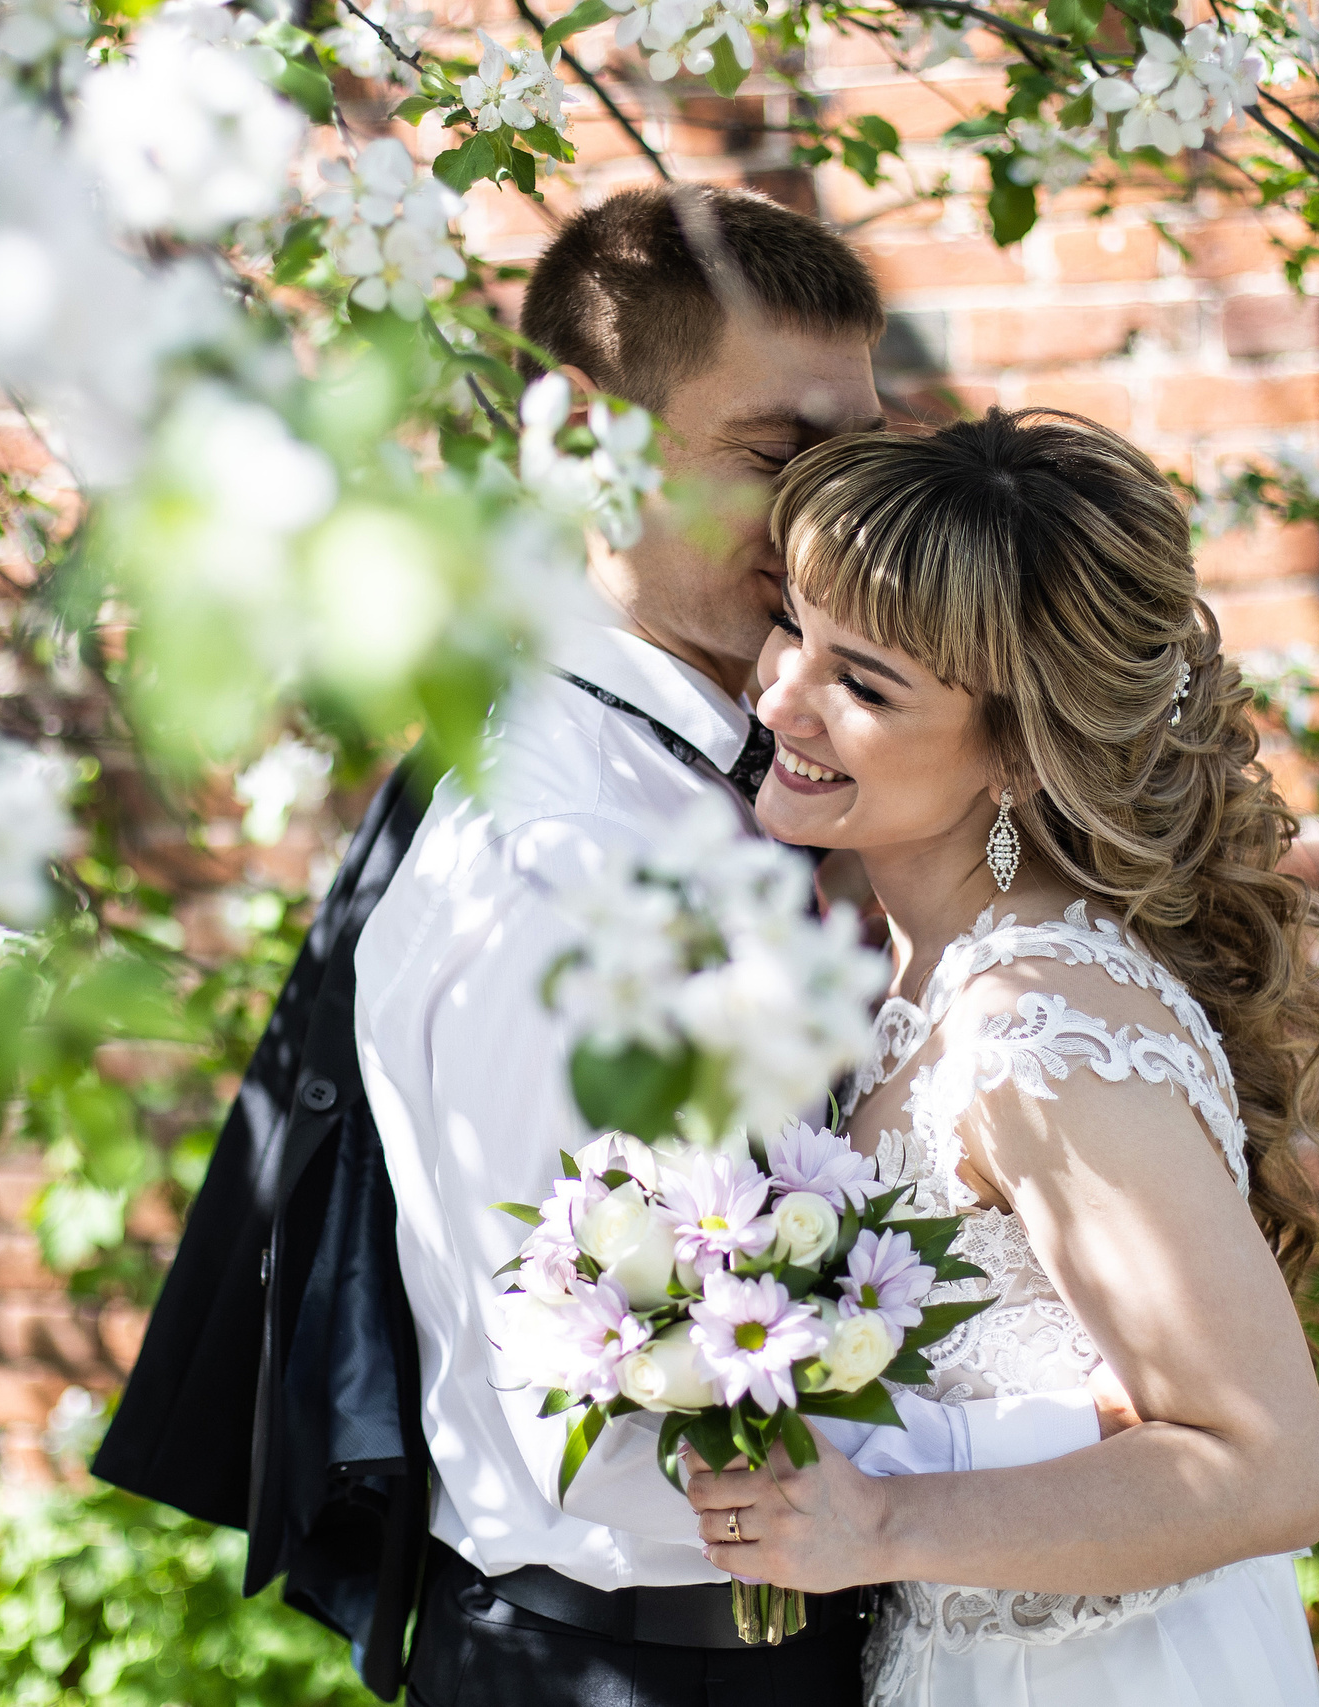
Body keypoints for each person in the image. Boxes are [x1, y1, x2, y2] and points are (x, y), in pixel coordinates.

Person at [680, 408, 1319, 1706]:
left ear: (1016, 752)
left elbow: (1269, 1467)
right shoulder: (909, 968)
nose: (782, 694)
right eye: (794, 629)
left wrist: (876, 1529)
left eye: (864, 683)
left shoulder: (1037, 1038)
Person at [352, 182, 892, 1707]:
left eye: (858, 462)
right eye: (781, 460)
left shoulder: (746, 792)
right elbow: (607, 1402)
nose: (826, 523)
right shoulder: (555, 864)